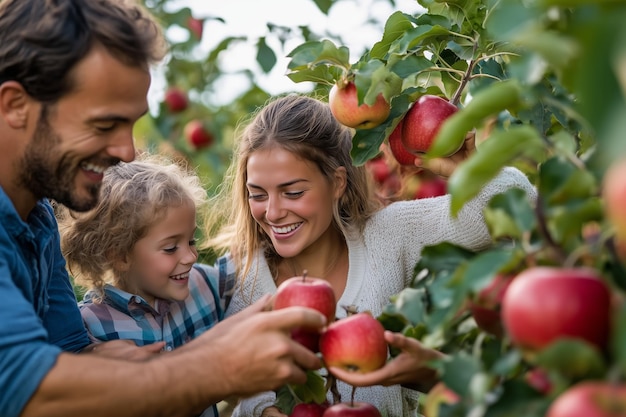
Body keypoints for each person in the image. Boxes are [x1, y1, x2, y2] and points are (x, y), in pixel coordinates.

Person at [0, 1, 326, 416]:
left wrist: (197, 352)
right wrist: (218, 367)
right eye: (103, 125)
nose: (125, 150)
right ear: (14, 105)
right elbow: (29, 390)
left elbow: (73, 357)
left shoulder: (37, 216)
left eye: (131, 124)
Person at [203, 94, 537, 417]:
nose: (273, 212)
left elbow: (516, 207)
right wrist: (264, 411)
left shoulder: (386, 235)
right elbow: (243, 386)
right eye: (257, 194)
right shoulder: (244, 277)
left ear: (337, 183)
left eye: (293, 192)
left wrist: (473, 171)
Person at [58, 153, 235, 417]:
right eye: (171, 247)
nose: (190, 256)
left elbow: (256, 271)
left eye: (191, 241)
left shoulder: (205, 285)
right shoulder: (93, 329)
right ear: (119, 255)